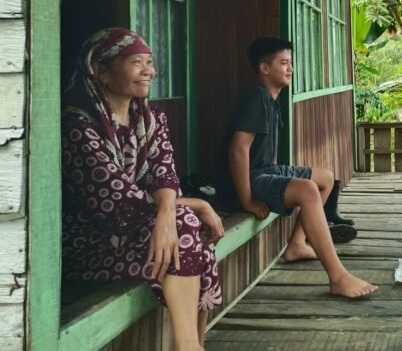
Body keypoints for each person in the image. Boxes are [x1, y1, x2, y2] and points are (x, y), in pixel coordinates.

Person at [62, 28, 224, 351]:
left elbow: (165, 175)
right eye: (137, 63)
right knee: (187, 226)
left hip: (136, 234)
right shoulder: (78, 126)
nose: (149, 71)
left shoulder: (149, 119)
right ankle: (190, 346)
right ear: (101, 72)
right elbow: (118, 201)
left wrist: (168, 210)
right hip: (89, 244)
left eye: (149, 62)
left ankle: (192, 345)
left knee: (190, 236)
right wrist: (195, 206)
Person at [226, 36, 377, 298]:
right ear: (264, 68)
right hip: (250, 179)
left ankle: (297, 244)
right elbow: (237, 151)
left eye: (290, 63)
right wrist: (248, 200)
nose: (290, 69)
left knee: (325, 178)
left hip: (266, 171)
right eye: (284, 63)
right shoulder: (256, 98)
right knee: (307, 190)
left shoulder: (270, 99)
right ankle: (338, 277)